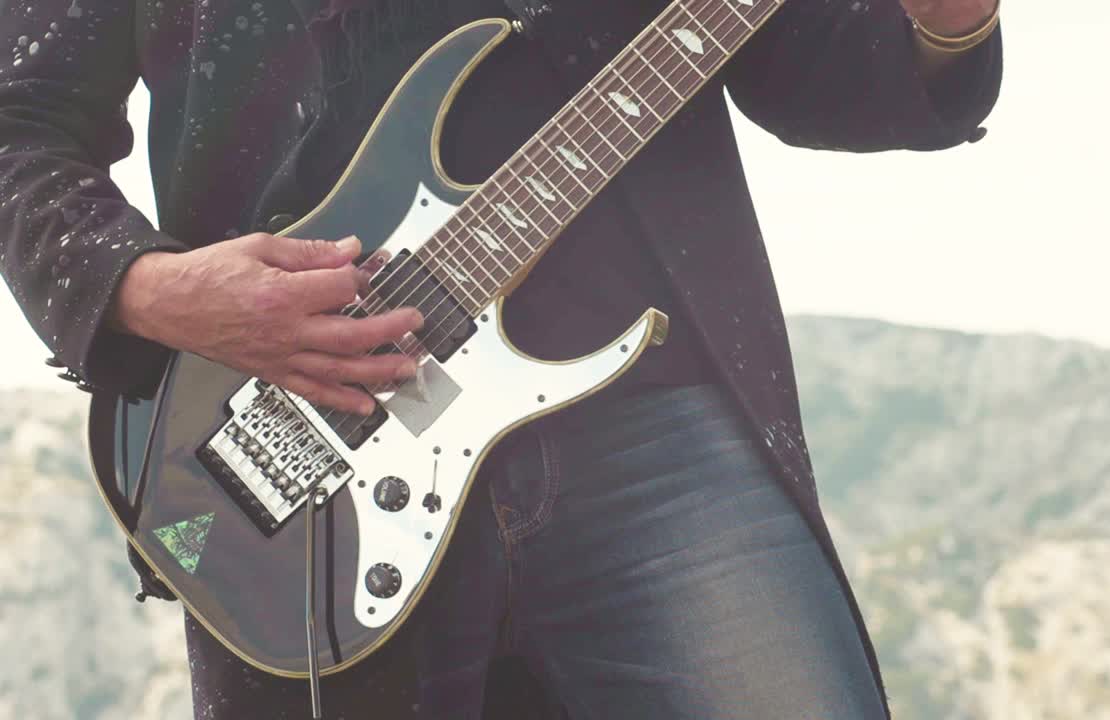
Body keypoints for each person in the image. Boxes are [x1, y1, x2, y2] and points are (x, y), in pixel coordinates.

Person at [0, 0, 1002, 717]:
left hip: (658, 422)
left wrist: (942, 28)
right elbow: (17, 122)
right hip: (311, 450)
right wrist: (149, 288)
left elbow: (810, 66)